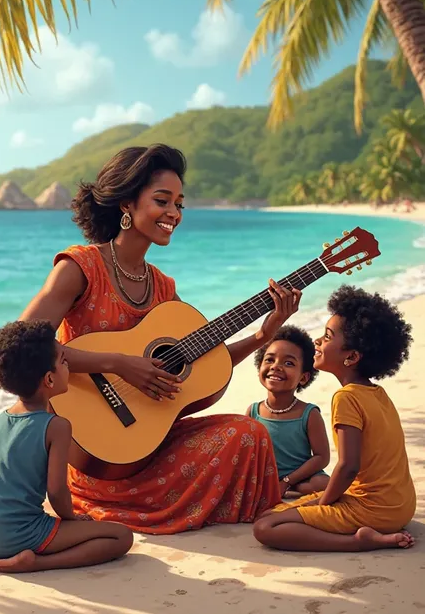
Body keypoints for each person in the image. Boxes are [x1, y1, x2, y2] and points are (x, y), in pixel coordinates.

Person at [19, 143, 301, 533]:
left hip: (147, 440)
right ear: (126, 205)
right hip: (94, 448)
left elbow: (203, 363)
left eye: (180, 204)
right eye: (162, 200)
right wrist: (119, 363)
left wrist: (262, 334)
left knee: (250, 434)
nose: (174, 213)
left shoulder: (163, 288)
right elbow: (22, 343)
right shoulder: (80, 267)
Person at [253, 286, 416, 552]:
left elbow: (348, 466)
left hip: (374, 511)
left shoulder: (346, 397)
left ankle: (358, 542)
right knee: (279, 510)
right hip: (401, 506)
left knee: (265, 526)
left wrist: (323, 504)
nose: (317, 342)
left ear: (351, 357)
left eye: (327, 337)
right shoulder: (378, 393)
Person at [0, 320, 133, 574]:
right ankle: (35, 562)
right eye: (64, 361)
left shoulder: (1, 418)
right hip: (18, 534)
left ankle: (4, 552)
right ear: (49, 379)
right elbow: (56, 491)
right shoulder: (56, 426)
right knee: (120, 537)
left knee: (53, 528)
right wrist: (72, 521)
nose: (68, 366)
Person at [246, 325, 329, 498]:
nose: (276, 366)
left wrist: (288, 480)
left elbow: (322, 457)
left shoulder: (308, 413)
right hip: (266, 477)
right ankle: (274, 488)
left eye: (289, 363)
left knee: (322, 484)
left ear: (303, 377)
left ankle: (286, 489)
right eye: (269, 360)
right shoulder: (254, 411)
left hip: (300, 478)